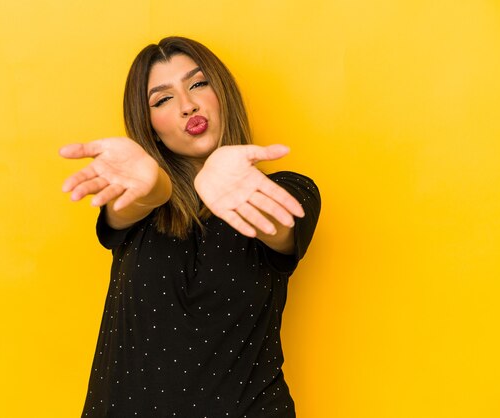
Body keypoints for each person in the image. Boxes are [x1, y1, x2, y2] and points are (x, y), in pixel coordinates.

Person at [60, 36, 321, 418]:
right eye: (162, 99)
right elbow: (144, 199)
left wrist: (223, 176)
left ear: (222, 93)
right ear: (150, 126)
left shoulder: (285, 191)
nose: (188, 105)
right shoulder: (139, 198)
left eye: (198, 84)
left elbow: (280, 228)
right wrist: (154, 183)